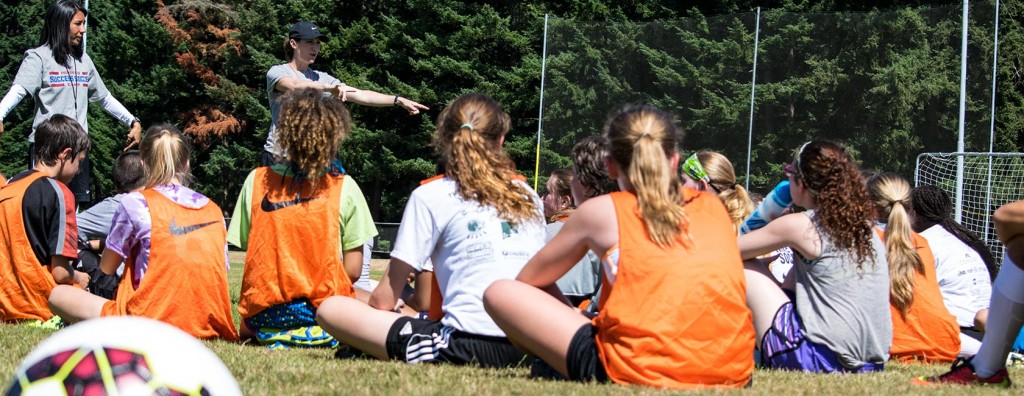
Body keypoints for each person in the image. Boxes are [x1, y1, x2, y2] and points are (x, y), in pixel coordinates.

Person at [484, 105, 755, 389]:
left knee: (499, 292)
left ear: (610, 165)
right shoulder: (714, 207)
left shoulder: (602, 211)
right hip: (733, 370)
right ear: (674, 161)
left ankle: (555, 360)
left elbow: (528, 283)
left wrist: (573, 318)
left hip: (639, 368)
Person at [315, 93, 545, 367]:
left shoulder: (431, 195)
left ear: (445, 140)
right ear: (501, 139)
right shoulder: (527, 194)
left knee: (331, 308)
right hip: (535, 342)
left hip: (465, 345)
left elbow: (384, 300)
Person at [48, 125, 238, 341]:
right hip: (208, 321)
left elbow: (107, 268)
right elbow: (219, 269)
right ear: (186, 163)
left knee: (58, 294)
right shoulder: (214, 209)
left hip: (150, 319)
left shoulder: (135, 203)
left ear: (145, 164)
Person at [227, 88, 377, 348]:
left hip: (264, 317)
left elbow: (251, 250)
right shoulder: (345, 187)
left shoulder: (256, 180)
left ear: (285, 132)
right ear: (333, 135)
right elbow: (352, 270)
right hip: (327, 315)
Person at [739, 140, 890, 373]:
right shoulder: (865, 229)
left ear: (801, 184)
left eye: (789, 173)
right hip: (870, 365)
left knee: (743, 266)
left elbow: (727, 250)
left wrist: (764, 222)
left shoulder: (800, 225)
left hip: (816, 359)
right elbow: (796, 289)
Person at [0, 0, 143, 204]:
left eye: (84, 24)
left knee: (72, 205)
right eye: (78, 23)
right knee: (44, 202)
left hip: (78, 149)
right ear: (61, 24)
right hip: (47, 151)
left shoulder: (84, 61)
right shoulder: (38, 57)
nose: (83, 30)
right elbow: (18, 91)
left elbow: (104, 98)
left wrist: (133, 121)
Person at [262, 21, 428, 166]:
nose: (315, 47)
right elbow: (294, 85)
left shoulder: (322, 77)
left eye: (318, 43)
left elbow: (362, 95)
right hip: (278, 156)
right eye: (309, 42)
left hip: (311, 159)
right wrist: (328, 88)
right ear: (293, 43)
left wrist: (397, 100)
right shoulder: (277, 72)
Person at [915, 199, 1024, 387]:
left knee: (1007, 220)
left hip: (962, 329)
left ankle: (986, 369)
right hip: (970, 327)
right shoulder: (953, 239)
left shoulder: (927, 240)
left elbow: (1004, 217)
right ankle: (986, 368)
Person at [0, 115, 90, 325]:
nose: (78, 171)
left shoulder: (8, 187)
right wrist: (79, 278)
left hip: (6, 306)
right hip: (40, 306)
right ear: (66, 154)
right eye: (80, 162)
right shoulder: (60, 193)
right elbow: (60, 273)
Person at [867, 173, 960, 362]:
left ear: (867, 204)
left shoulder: (862, 241)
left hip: (897, 346)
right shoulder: (921, 242)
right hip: (945, 343)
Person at [911, 184, 993, 343]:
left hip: (956, 330)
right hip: (984, 329)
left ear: (914, 214)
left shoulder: (924, 243)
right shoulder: (964, 240)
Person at [74, 151, 145, 298]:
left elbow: (72, 226)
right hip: (155, 287)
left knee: (77, 251)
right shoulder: (159, 202)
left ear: (117, 183)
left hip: (121, 288)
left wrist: (85, 245)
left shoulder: (117, 205)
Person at [542, 168, 599, 308]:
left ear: (564, 202)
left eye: (548, 192)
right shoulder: (599, 233)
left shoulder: (547, 234)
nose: (542, 198)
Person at [680, 150, 754, 233]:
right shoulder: (746, 229)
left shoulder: (698, 231)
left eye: (683, 181)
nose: (679, 187)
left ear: (702, 186)